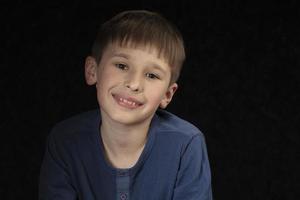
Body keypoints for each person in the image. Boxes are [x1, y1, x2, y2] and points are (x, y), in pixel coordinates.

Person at [39, 10, 213, 200]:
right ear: (92, 71)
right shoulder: (65, 140)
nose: (134, 84)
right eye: (122, 66)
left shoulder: (185, 145)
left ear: (167, 94)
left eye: (152, 75)